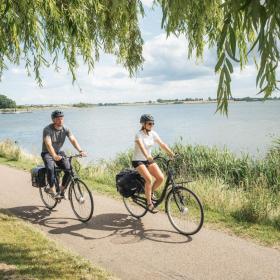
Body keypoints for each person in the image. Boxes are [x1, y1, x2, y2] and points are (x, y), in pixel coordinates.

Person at [132, 114, 175, 213]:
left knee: (160, 178)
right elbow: (142, 147)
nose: (152, 125)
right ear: (143, 124)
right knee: (149, 179)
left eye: (153, 123)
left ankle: (149, 193)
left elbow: (162, 144)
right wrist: (147, 156)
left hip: (149, 160)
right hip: (138, 161)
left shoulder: (153, 134)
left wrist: (171, 153)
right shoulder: (138, 135)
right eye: (150, 123)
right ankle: (149, 203)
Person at [41, 110, 86, 198]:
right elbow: (48, 144)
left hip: (58, 152)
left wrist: (80, 151)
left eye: (62, 118)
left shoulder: (66, 128)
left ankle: (62, 190)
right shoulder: (47, 129)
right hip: (47, 153)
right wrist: (54, 155)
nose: (60, 120)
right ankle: (51, 188)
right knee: (50, 168)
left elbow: (72, 139)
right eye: (58, 119)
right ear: (53, 120)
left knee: (69, 170)